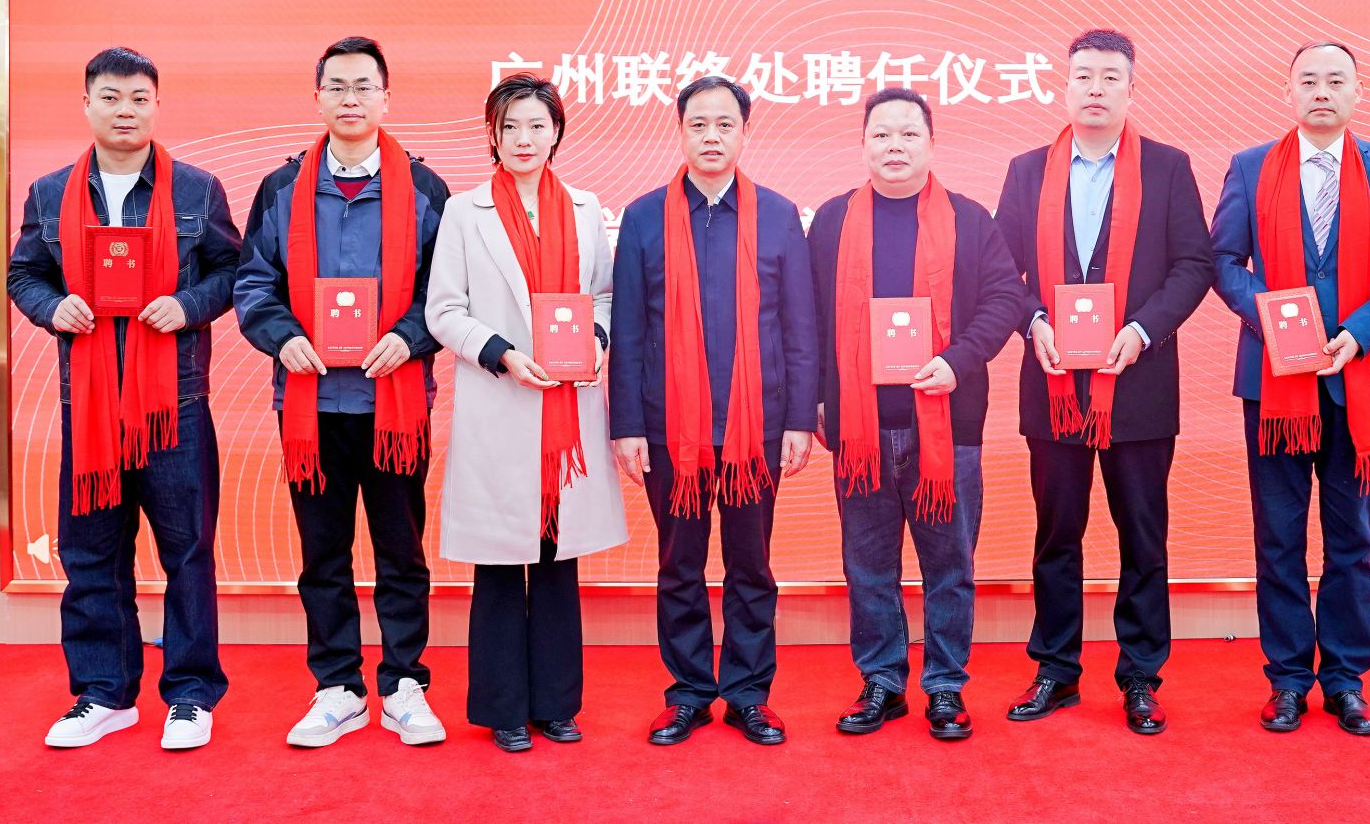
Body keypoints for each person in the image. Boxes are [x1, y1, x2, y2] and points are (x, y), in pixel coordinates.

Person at [8, 47, 241, 751]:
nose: (125, 110)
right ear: (86, 105)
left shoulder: (197, 189)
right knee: (91, 554)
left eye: (139, 98)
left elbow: (233, 270)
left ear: (157, 105)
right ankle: (104, 693)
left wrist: (188, 304)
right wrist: (54, 307)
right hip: (89, 406)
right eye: (110, 97)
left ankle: (191, 695)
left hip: (176, 405)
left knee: (187, 552)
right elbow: (24, 275)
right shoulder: (49, 192)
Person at [1209, 41, 1370, 737]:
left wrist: (1360, 332)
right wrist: (1276, 323)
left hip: (1356, 384)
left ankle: (1344, 680)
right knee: (1278, 541)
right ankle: (1286, 681)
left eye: (1336, 81)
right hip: (1273, 386)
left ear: (1358, 93)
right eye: (1308, 81)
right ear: (1288, 92)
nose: (1321, 92)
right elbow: (1224, 260)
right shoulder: (1250, 167)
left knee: (1351, 543)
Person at [993, 29, 1212, 734]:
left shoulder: (1169, 168)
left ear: (1131, 89)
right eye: (1083, 75)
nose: (1095, 88)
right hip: (1053, 380)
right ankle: (1055, 670)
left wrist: (1142, 330)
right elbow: (999, 267)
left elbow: (1194, 264)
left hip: (1137, 382)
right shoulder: (1027, 171)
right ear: (1064, 87)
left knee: (1142, 536)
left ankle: (1141, 675)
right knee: (1057, 535)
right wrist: (1033, 321)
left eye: (1110, 76)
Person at [235, 36, 450, 748]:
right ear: (318, 97)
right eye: (338, 86)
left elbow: (445, 289)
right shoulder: (282, 187)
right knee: (322, 554)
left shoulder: (425, 189)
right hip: (311, 405)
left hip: (395, 406)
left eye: (364, 86)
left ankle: (404, 683)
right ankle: (337, 687)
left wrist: (411, 336)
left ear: (386, 97)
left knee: (401, 552)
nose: (351, 98)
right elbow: (253, 281)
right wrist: (282, 336)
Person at [807, 87, 1024, 741]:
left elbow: (1005, 300)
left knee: (949, 566)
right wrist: (817, 397)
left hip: (947, 426)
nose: (894, 146)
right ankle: (881, 680)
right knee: (868, 565)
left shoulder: (970, 220)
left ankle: (945, 686)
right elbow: (808, 317)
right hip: (860, 430)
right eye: (881, 134)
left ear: (931, 143)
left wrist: (959, 359)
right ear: (863, 145)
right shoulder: (832, 221)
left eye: (908, 134)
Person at [609, 76, 817, 747]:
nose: (711, 136)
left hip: (757, 428)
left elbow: (800, 325)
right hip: (670, 429)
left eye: (725, 124)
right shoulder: (643, 217)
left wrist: (799, 419)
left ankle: (749, 694)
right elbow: (630, 329)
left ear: (744, 133)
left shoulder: (778, 215)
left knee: (751, 566)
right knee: (680, 566)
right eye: (698, 124)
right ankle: (690, 694)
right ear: (680, 132)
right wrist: (626, 426)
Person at [427, 73, 627, 752]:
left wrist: (595, 340)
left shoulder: (585, 209)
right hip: (501, 400)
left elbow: (603, 295)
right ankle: (503, 707)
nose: (523, 138)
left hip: (567, 408)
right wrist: (503, 354)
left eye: (537, 125)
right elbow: (444, 310)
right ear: (492, 133)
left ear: (556, 132)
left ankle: (557, 704)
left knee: (556, 558)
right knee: (498, 562)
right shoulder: (465, 211)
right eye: (510, 126)